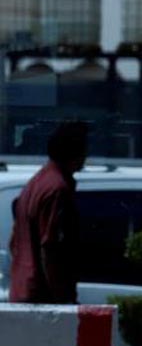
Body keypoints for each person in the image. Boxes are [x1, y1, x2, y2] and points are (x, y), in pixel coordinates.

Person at [8, 121, 88, 304]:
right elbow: (51, 247)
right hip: (43, 298)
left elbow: (14, 242)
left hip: (24, 291)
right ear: (74, 152)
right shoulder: (57, 189)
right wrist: (62, 300)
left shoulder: (36, 183)